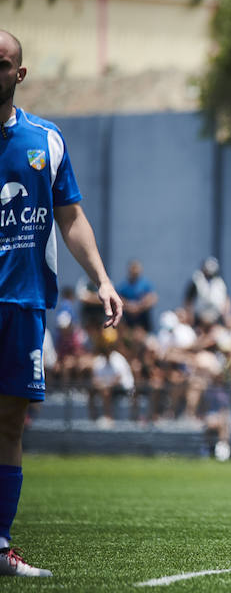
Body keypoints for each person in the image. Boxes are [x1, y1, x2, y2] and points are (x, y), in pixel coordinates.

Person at [0, 29, 123, 577]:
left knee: (10, 424)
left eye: (0, 64)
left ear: (18, 74)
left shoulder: (45, 139)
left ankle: (0, 545)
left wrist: (101, 278)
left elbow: (70, 217)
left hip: (24, 305)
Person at [117, 259, 157, 332]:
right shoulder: (123, 286)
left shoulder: (146, 284)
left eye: (137, 268)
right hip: (128, 321)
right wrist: (129, 307)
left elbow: (152, 299)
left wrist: (138, 307)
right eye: (133, 268)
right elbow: (119, 299)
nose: (135, 270)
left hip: (143, 322)